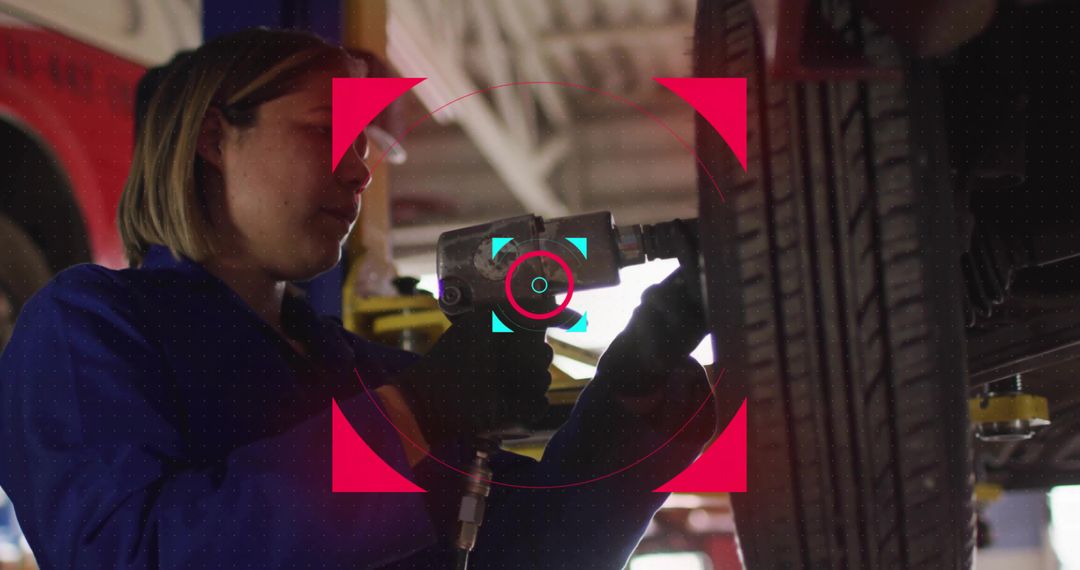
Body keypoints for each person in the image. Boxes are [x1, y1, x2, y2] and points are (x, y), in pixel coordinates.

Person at [0, 28, 717, 569]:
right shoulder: (85, 328)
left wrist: (633, 390)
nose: (360, 171)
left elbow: (527, 555)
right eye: (326, 131)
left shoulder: (358, 371)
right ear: (216, 138)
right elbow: (139, 555)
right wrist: (416, 414)